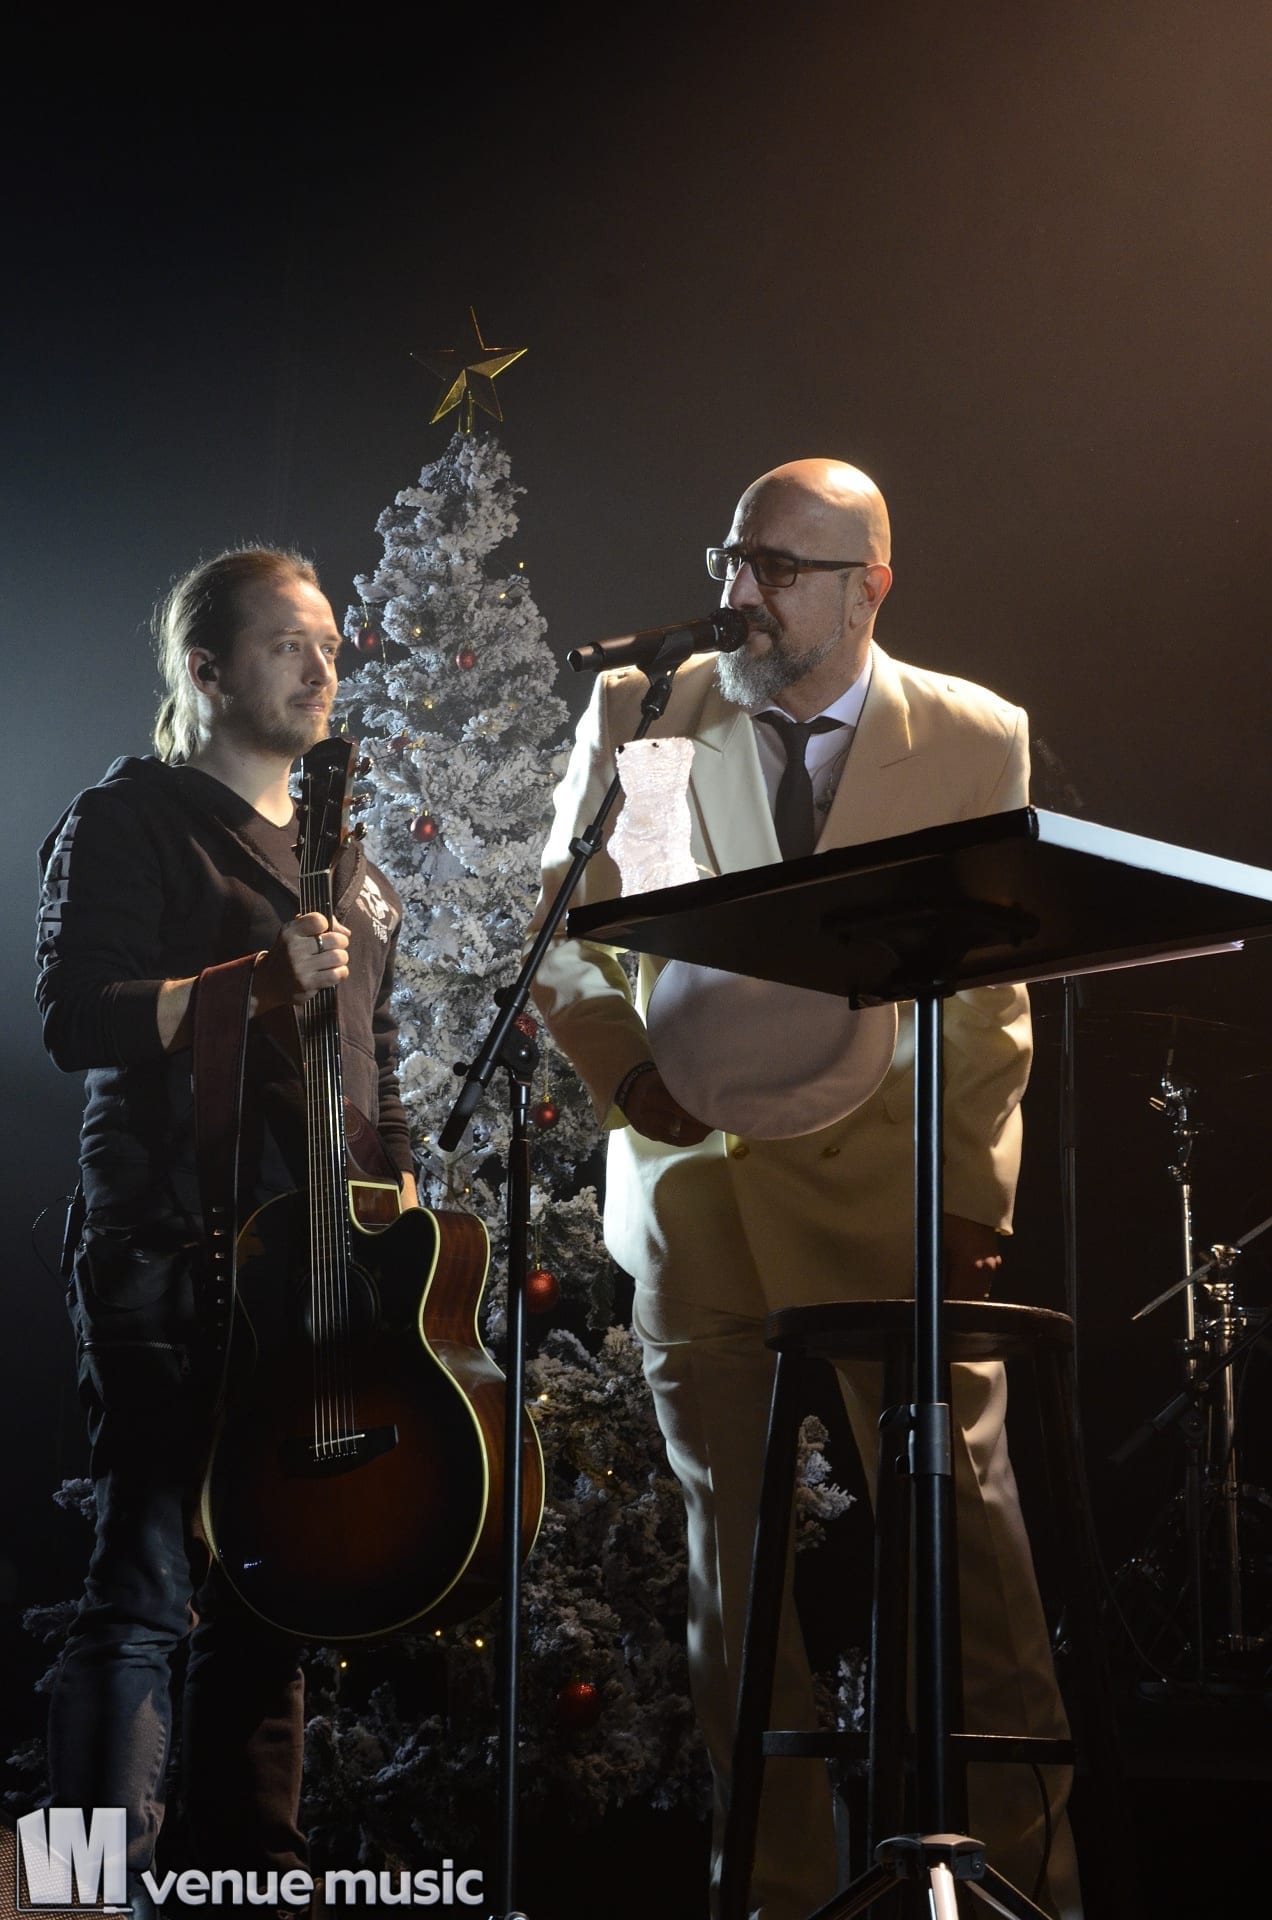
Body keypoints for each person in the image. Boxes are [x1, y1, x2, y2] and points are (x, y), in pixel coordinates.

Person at [529, 460, 1081, 1920]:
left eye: (777, 568)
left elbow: (997, 994)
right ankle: (770, 1896)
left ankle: (1032, 1884)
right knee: (732, 1577)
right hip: (700, 1195)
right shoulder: (653, 713)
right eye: (731, 558)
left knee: (973, 1557)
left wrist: (971, 1203)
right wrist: (630, 1082)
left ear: (867, 587)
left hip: (893, 1202)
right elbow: (579, 930)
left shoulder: (969, 735)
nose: (739, 594)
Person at [34, 548, 418, 1913]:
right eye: (287, 645)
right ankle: (81, 1899)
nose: (323, 669)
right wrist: (251, 980)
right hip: (167, 1249)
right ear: (205, 670)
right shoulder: (131, 817)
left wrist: (394, 1198)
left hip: (308, 1267)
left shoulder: (343, 859)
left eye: (333, 646)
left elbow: (373, 1058)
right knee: (142, 1580)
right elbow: (75, 1018)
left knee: (274, 1584)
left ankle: (251, 1885)